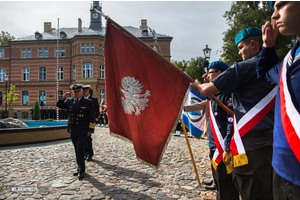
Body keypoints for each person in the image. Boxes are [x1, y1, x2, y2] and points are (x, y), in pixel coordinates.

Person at [191, 27, 276, 200]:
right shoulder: (275, 65)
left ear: (253, 45)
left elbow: (207, 90)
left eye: (240, 47)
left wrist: (198, 86)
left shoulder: (245, 67)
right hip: (271, 142)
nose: (240, 52)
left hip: (250, 145)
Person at [256, 2, 300, 199]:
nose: (274, 16)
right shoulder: (291, 59)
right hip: (282, 166)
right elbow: (266, 72)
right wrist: (268, 45)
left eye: (281, 5)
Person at [185, 61, 239, 199]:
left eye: (209, 73)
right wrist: (182, 108)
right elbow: (203, 105)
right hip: (214, 145)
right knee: (220, 183)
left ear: (219, 74)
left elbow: (230, 122)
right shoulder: (213, 96)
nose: (205, 76)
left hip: (223, 147)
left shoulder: (227, 95)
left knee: (226, 185)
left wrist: (227, 146)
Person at [56, 83, 96, 180]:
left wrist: (91, 130)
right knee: (76, 149)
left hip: (83, 129)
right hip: (73, 129)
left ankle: (81, 170)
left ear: (82, 91)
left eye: (78, 91)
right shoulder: (70, 101)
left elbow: (92, 117)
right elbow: (59, 105)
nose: (76, 93)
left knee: (79, 149)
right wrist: (63, 97)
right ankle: (79, 168)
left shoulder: (88, 102)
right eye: (74, 92)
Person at [83, 85, 100, 161]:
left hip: (89, 121)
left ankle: (89, 153)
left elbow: (96, 111)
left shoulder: (93, 99)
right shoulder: (81, 99)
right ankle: (84, 153)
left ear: (88, 91)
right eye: (83, 91)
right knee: (82, 139)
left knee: (88, 138)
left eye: (85, 91)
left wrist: (93, 123)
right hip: (82, 122)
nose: (84, 93)